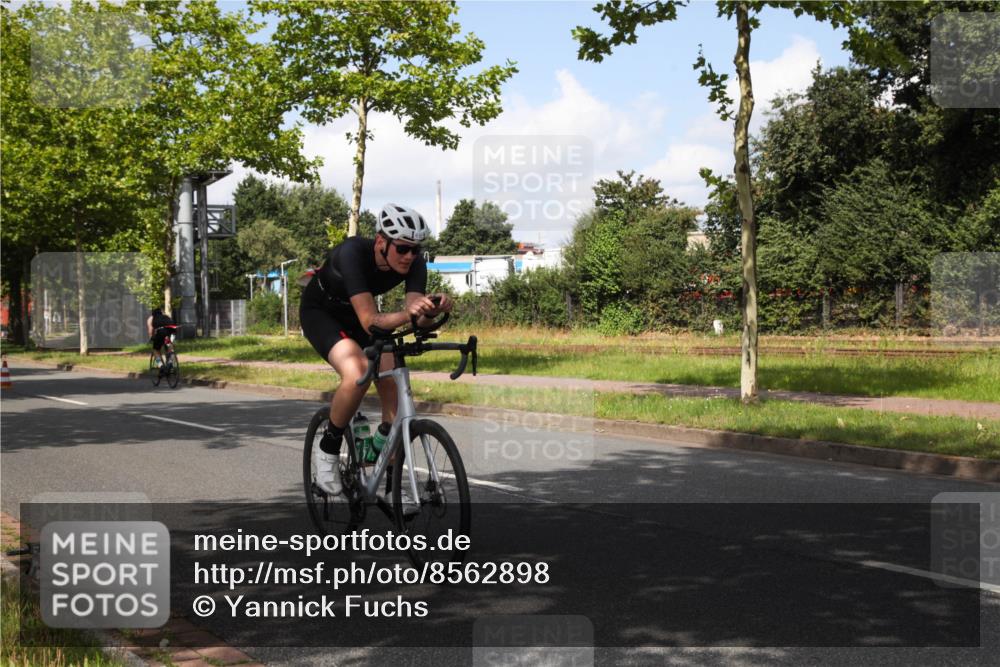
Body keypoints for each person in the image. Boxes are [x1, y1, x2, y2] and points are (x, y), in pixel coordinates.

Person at [300, 203, 453, 499]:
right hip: (322, 314)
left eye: (415, 249)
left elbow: (416, 315)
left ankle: (393, 487)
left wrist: (431, 310)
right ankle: (327, 452)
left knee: (392, 377)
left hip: (361, 318)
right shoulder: (352, 254)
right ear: (382, 242)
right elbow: (372, 322)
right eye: (402, 248)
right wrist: (410, 314)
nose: (409, 256)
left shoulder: (415, 263)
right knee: (357, 371)